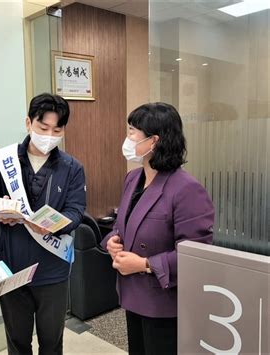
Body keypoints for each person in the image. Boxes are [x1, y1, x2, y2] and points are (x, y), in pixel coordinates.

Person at [102, 102, 214, 355]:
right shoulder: (133, 178)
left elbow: (196, 254)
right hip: (132, 294)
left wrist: (144, 265)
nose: (127, 138)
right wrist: (112, 240)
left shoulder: (186, 189)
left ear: (154, 141)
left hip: (163, 302)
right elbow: (123, 225)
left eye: (132, 132)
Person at [0, 93, 86, 355]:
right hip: (12, 269)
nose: (49, 135)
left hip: (53, 269)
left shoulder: (72, 168)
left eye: (57, 129)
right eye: (43, 127)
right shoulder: (1, 160)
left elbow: (76, 211)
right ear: (28, 123)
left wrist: (57, 225)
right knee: (17, 342)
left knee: (51, 343)